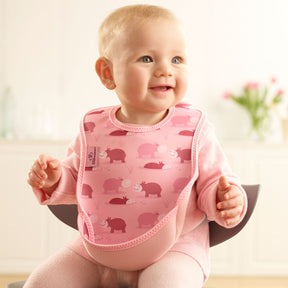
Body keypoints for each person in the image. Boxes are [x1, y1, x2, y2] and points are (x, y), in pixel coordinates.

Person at [26, 4, 246, 288]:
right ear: (107, 72)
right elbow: (81, 182)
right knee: (41, 283)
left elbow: (213, 182)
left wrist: (224, 198)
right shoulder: (94, 129)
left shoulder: (194, 130)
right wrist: (55, 179)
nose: (165, 69)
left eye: (177, 59)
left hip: (174, 249)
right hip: (98, 250)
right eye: (146, 58)